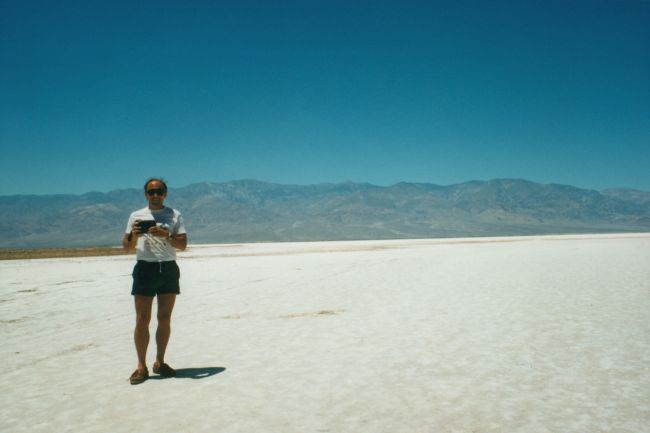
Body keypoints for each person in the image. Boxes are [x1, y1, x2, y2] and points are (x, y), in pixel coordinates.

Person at [122, 178, 187, 385]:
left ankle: (160, 362)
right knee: (142, 319)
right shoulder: (136, 216)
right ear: (145, 195)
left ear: (165, 194)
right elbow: (126, 247)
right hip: (145, 268)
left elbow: (183, 245)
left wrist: (166, 235)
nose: (155, 195)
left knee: (164, 318)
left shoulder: (174, 215)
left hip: (167, 268)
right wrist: (134, 234)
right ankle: (141, 367)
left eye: (159, 191)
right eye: (151, 192)